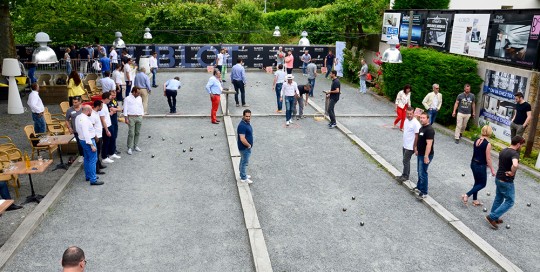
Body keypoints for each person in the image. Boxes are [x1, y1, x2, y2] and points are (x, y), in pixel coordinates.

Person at [485, 136, 525, 230]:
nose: (521, 147)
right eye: (521, 145)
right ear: (518, 144)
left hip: (498, 178)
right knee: (510, 201)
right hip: (506, 181)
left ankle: (494, 216)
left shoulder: (503, 150)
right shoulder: (515, 153)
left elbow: (499, 164)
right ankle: (492, 217)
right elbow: (515, 164)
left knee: (499, 198)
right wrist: (512, 172)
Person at [462, 125, 496, 206]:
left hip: (473, 163)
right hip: (480, 166)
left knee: (477, 182)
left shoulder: (476, 140)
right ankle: (467, 195)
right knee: (482, 184)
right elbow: (488, 158)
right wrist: (492, 169)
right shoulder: (487, 144)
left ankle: (475, 200)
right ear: (489, 133)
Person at [76, 105, 104, 185]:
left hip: (82, 140)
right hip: (88, 141)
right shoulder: (85, 119)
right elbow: (86, 132)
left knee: (87, 159)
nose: (91, 112)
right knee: (92, 160)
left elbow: (78, 129)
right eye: (91, 111)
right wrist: (91, 144)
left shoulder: (78, 117)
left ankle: (88, 176)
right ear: (88, 111)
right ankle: (93, 179)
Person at [413, 112, 435, 199]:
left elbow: (429, 144)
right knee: (419, 171)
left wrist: (426, 156)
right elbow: (419, 140)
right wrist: (416, 148)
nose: (421, 119)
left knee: (423, 173)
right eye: (421, 118)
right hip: (420, 153)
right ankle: (419, 187)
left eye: (423, 118)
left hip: (426, 155)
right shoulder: (422, 128)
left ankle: (424, 192)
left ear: (428, 119)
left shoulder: (429, 130)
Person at [397, 107, 421, 183]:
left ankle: (405, 176)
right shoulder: (406, 120)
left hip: (411, 146)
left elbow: (417, 135)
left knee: (405, 160)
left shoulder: (416, 123)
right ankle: (404, 174)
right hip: (405, 144)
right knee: (406, 161)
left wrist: (415, 146)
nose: (409, 115)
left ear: (413, 113)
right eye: (408, 113)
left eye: (411, 114)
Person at [123, 87, 144, 155]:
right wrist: (126, 118)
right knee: (131, 133)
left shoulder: (139, 98)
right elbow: (125, 108)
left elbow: (141, 106)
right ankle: (129, 147)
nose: (139, 94)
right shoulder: (127, 98)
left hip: (139, 116)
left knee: (137, 132)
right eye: (138, 92)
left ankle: (136, 145)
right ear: (134, 92)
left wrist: (142, 114)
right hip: (131, 117)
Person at [65, 97, 84, 161]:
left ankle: (86, 155)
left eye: (76, 102)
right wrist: (69, 128)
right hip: (76, 130)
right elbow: (66, 120)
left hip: (84, 129)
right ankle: (81, 155)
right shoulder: (69, 110)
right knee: (79, 143)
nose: (74, 104)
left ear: (79, 102)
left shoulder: (83, 108)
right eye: (73, 102)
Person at [90, 100, 106, 174]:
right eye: (101, 106)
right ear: (98, 106)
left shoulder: (96, 113)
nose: (102, 107)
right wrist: (95, 137)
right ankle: (97, 169)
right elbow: (92, 127)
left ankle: (99, 165)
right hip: (97, 137)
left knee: (99, 151)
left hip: (100, 135)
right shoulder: (93, 115)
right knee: (96, 153)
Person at [237, 109, 253, 184]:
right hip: (244, 147)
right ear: (243, 116)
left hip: (245, 147)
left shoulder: (246, 123)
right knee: (244, 162)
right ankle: (243, 178)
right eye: (246, 116)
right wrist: (249, 145)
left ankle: (241, 174)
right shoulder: (242, 126)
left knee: (242, 160)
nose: (248, 118)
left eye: (249, 116)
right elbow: (242, 139)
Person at [99, 92, 114, 164]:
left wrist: (110, 113)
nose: (110, 100)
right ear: (105, 98)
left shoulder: (105, 105)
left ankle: (109, 154)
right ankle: (104, 157)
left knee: (109, 140)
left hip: (108, 125)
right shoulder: (102, 106)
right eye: (109, 99)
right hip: (105, 127)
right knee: (106, 142)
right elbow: (102, 119)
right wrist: (107, 130)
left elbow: (105, 116)